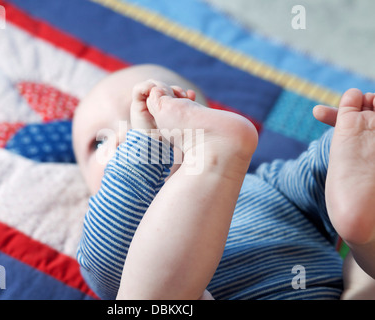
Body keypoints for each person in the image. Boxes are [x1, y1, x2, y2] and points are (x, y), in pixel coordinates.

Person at [73, 64, 375, 300]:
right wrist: (144, 149)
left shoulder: (265, 186)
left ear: (202, 118)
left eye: (154, 109)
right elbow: (106, 264)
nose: (125, 136)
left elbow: (316, 177)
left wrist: (350, 137)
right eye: (99, 142)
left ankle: (364, 233)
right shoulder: (113, 234)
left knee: (363, 273)